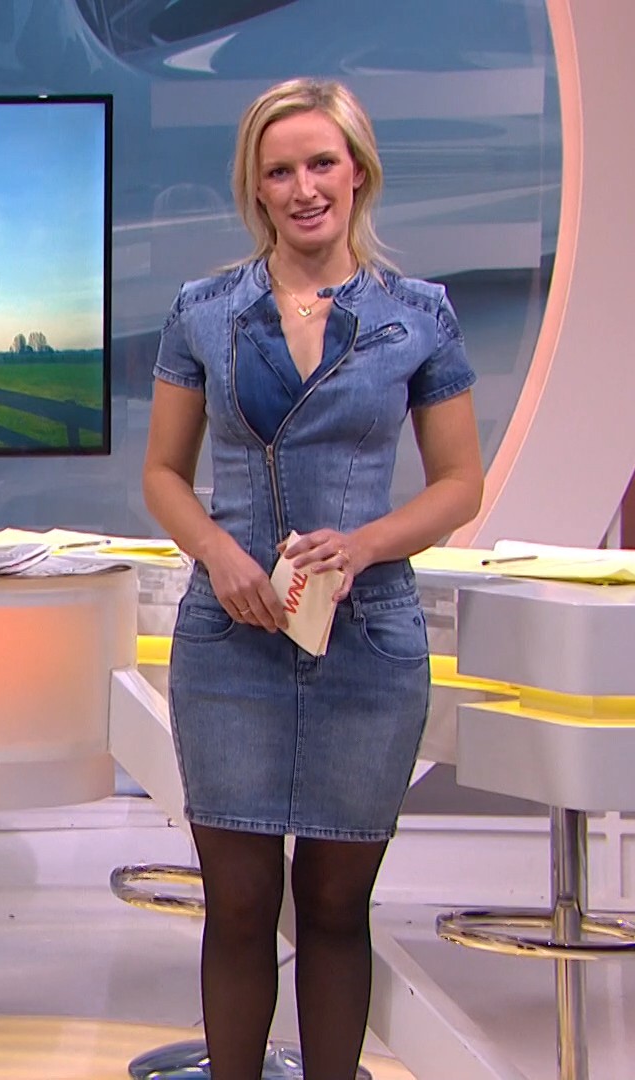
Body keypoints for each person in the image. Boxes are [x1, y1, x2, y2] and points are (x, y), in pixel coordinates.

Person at [141, 79, 483, 1079]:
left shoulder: (418, 315)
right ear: (255, 186)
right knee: (240, 903)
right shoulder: (205, 312)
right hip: (231, 639)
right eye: (281, 169)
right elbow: (161, 475)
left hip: (366, 638)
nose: (304, 188)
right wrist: (220, 553)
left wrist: (368, 544)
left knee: (336, 904)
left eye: (321, 163)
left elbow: (459, 485)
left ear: (358, 171)